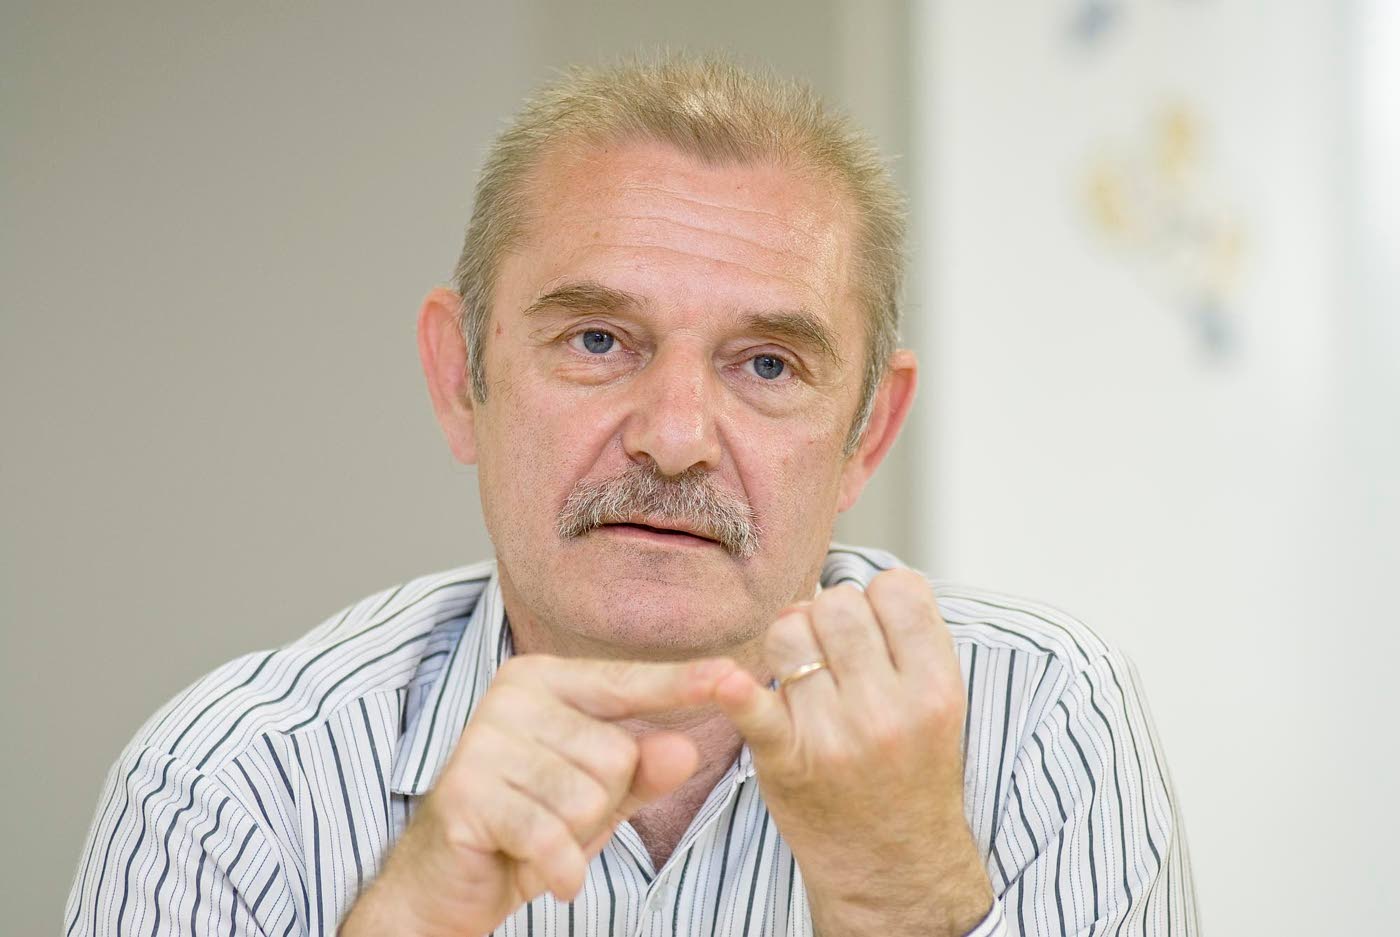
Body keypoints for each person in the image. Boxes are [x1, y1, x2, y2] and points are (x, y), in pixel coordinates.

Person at [65, 55, 1197, 936]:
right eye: (599, 340)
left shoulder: (1039, 723)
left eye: (767, 364)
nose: (674, 438)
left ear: (867, 433)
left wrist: (901, 895)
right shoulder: (231, 784)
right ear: (460, 380)